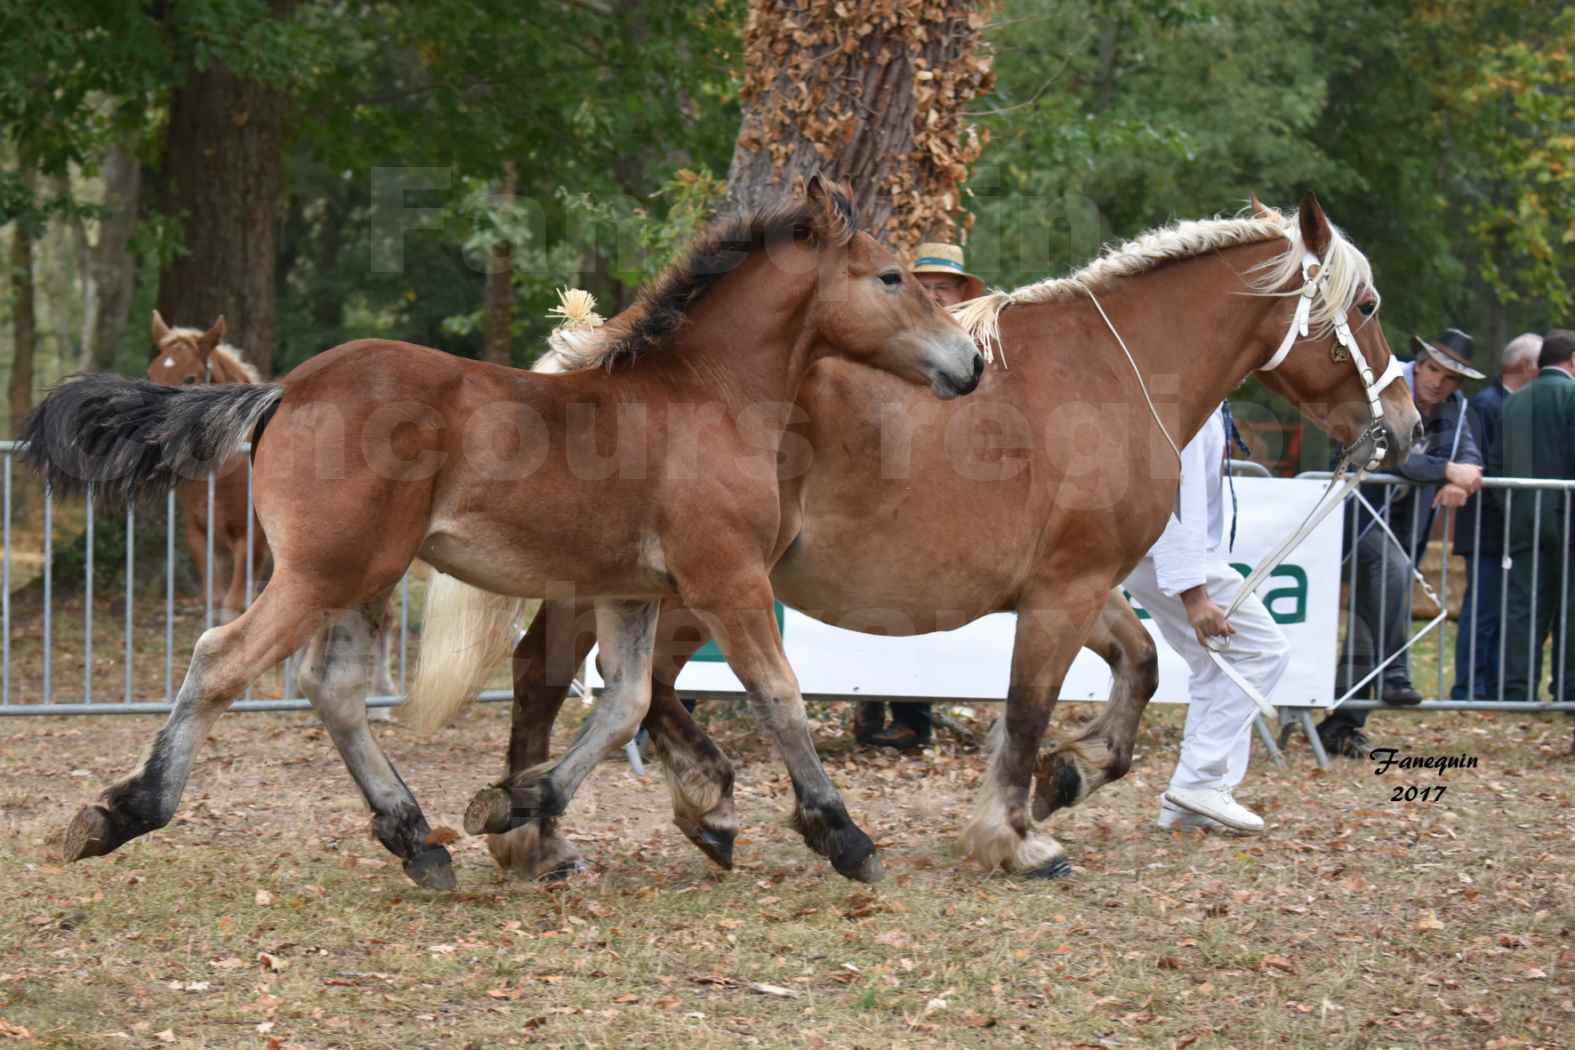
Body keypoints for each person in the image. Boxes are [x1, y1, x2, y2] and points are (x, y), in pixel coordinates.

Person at [1123, 403, 1290, 831]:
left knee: (1212, 665)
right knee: (1265, 651)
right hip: (1170, 553)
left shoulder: (1206, 400)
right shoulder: (1189, 403)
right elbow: (1161, 500)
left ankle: (1191, 806)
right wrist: (1194, 594)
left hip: (1159, 556)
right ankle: (1199, 782)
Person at [1318, 329, 1484, 758]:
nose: (1438, 383)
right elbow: (1390, 451)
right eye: (1433, 370)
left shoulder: (1459, 409)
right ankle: (1395, 674)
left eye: (1450, 378)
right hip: (1353, 515)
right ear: (1420, 362)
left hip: (1406, 525)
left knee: (1368, 621)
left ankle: (1341, 724)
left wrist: (1463, 480)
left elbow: (1470, 457)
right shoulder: (1382, 388)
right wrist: (1447, 471)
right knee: (1389, 574)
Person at [853, 240, 985, 751]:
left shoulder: (976, 344)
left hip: (952, 483)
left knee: (923, 600)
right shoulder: (899, 338)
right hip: (892, 476)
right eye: (924, 285)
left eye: (943, 287)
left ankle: (914, 718)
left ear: (959, 293)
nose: (934, 294)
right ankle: (872, 705)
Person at [1452, 333, 1542, 698]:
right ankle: (1470, 686)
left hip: (1506, 529)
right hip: (1485, 529)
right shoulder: (1486, 405)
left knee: (1499, 612)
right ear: (1526, 366)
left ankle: (1491, 684)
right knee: (1482, 612)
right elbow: (1479, 465)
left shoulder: (1511, 405)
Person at [1495, 329, 1575, 703]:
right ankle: (1568, 687)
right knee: (1569, 606)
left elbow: (1496, 462)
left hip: (1522, 514)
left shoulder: (1512, 402)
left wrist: (1512, 505)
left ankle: (1517, 689)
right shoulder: (1571, 395)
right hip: (1567, 517)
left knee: (1523, 606)